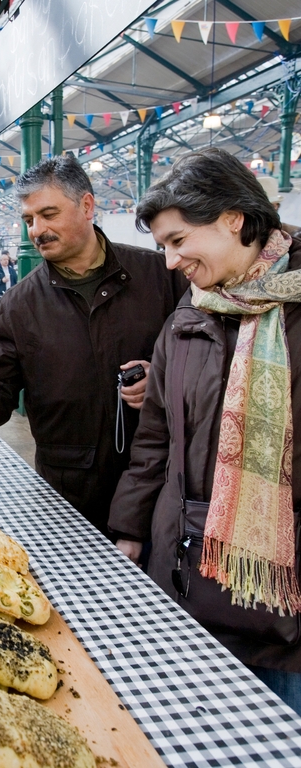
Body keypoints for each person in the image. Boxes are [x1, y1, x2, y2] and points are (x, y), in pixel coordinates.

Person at [109, 148, 301, 713]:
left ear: (232, 219)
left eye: (177, 240)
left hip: (284, 601)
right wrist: (130, 531)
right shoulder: (186, 320)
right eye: (162, 246)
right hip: (187, 574)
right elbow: (155, 440)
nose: (170, 262)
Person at [0, 154, 187, 533]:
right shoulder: (19, 304)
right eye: (29, 219)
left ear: (86, 205)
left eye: (49, 214)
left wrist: (161, 376)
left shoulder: (160, 276)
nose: (37, 229)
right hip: (69, 490)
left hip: (159, 479)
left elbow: (201, 354)